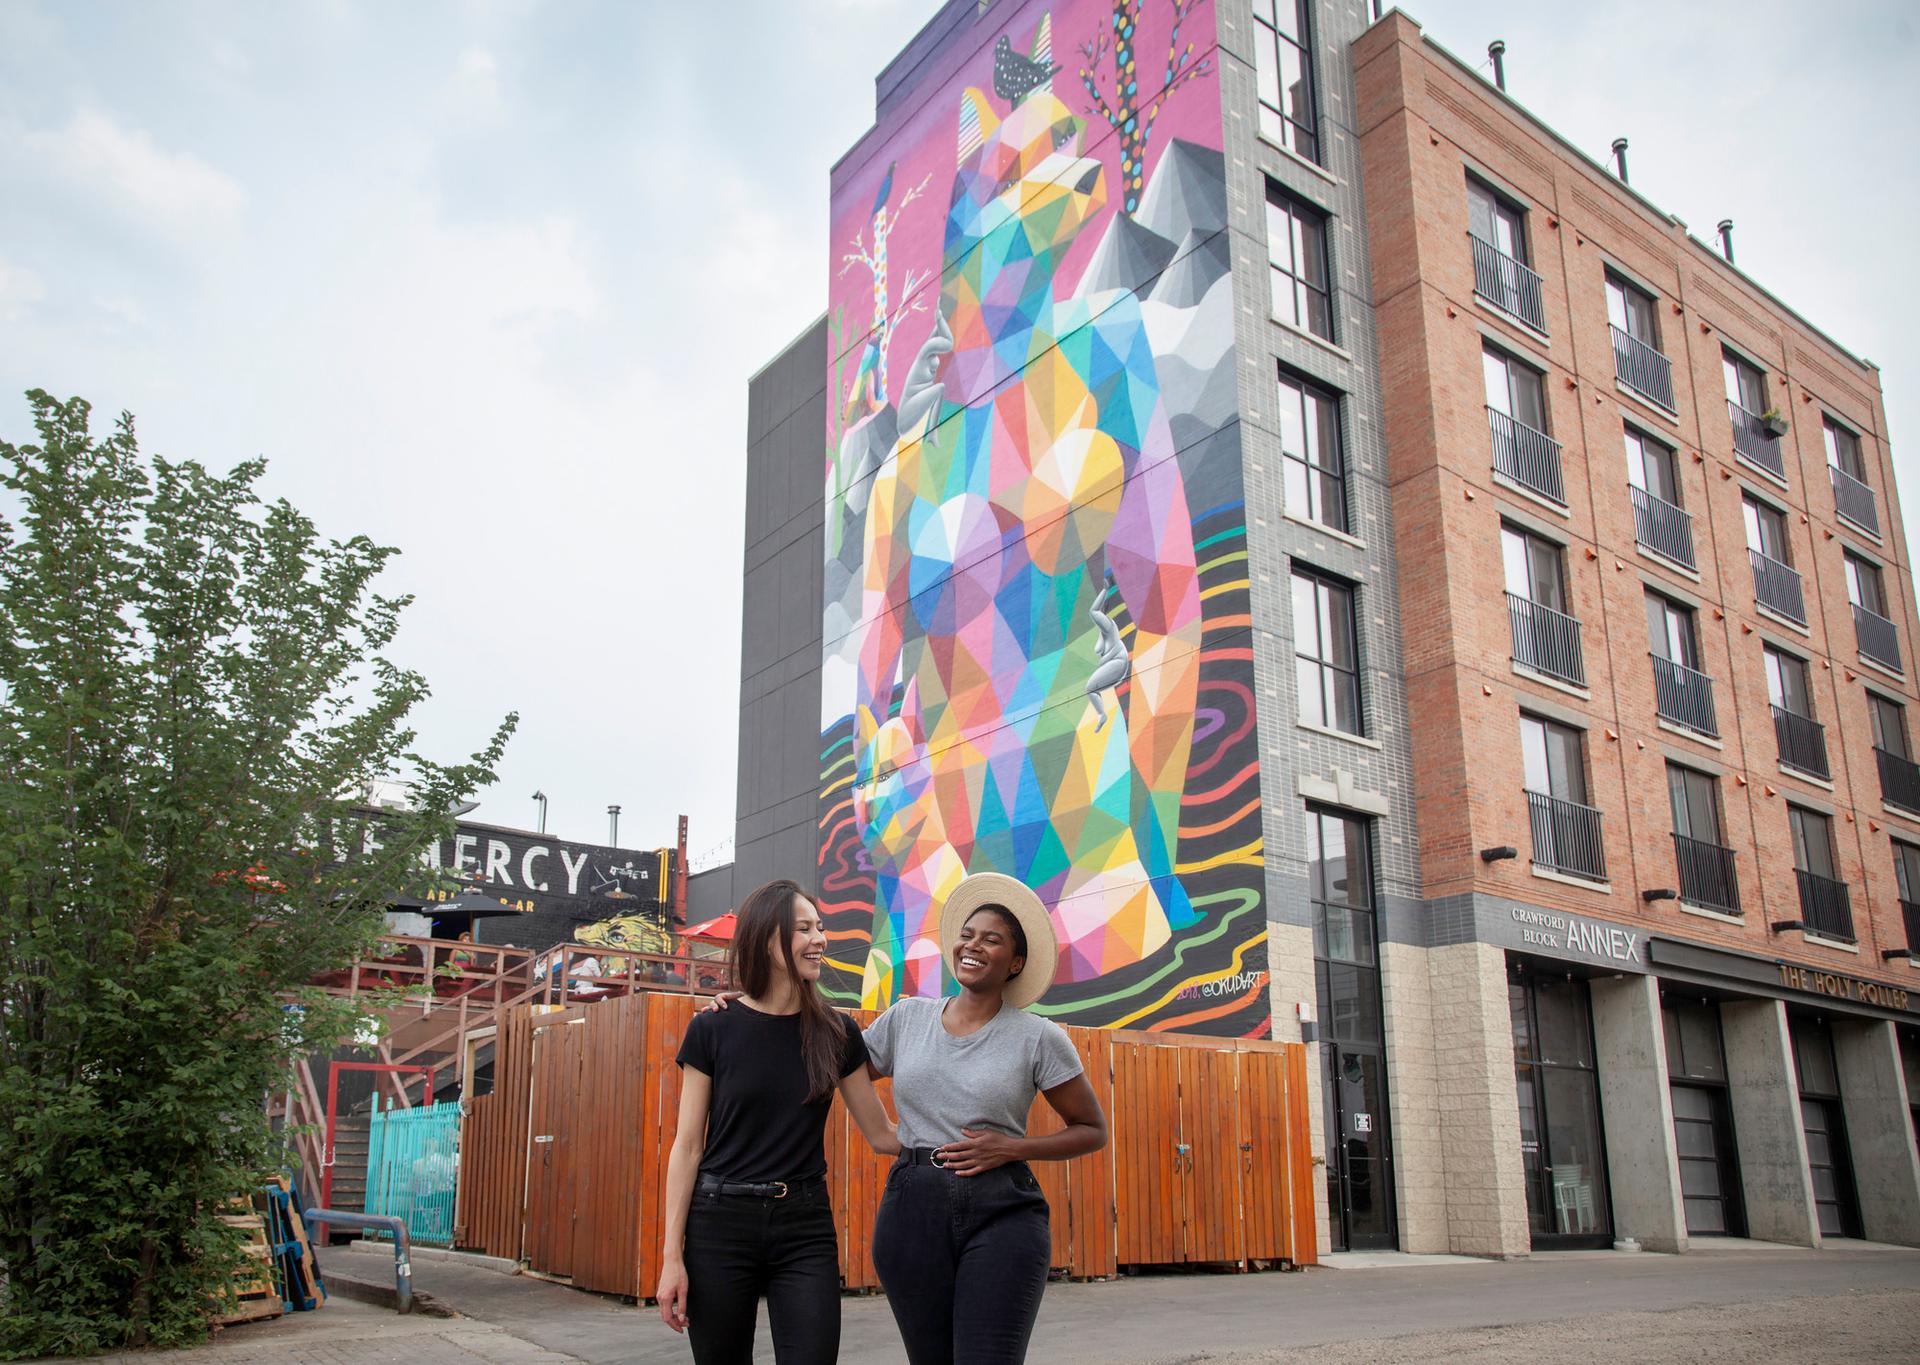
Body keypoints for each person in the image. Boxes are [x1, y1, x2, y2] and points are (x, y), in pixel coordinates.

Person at [704, 871, 1108, 1364]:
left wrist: (1011, 1147)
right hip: (912, 1210)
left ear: (1016, 962)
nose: (973, 945)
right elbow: (819, 1063)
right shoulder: (907, 1019)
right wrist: (739, 1010)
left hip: (1003, 1209)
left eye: (992, 940)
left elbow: (1091, 1130)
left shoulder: (1038, 1038)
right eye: (967, 934)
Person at [656, 880, 898, 1364]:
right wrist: (671, 1259)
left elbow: (882, 1135)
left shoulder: (837, 1033)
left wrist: (962, 1137)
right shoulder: (713, 1028)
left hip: (803, 1226)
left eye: (821, 927)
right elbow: (686, 1147)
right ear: (768, 940)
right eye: (804, 928)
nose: (820, 939)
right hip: (719, 1223)